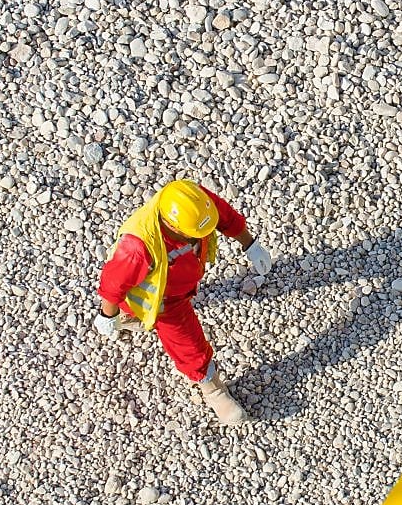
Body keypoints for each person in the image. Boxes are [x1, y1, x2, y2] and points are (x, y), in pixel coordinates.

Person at [94, 179, 272, 425]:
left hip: (183, 281)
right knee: (190, 347)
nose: (203, 237)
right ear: (170, 225)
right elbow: (114, 285)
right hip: (165, 301)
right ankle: (213, 390)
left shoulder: (194, 204)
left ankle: (129, 316)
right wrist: (106, 316)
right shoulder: (137, 248)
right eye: (193, 237)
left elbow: (223, 215)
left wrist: (249, 244)